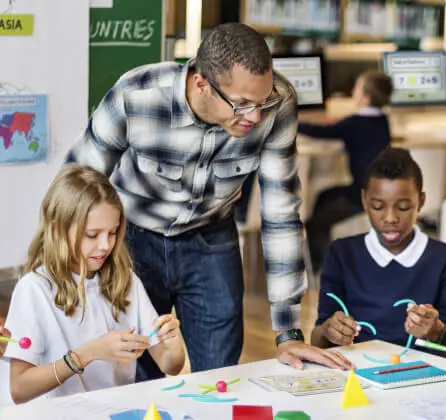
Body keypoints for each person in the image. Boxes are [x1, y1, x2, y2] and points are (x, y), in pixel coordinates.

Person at [66, 23, 353, 380]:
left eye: (261, 103)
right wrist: (64, 278)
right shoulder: (137, 94)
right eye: (242, 104)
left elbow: (281, 213)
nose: (256, 117)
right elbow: (76, 187)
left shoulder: (278, 104)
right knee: (133, 372)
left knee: (220, 377)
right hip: (131, 240)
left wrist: (287, 332)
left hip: (210, 237)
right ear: (201, 83)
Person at [3, 165, 186, 404]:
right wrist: (89, 353)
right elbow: (19, 389)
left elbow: (170, 365)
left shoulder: (126, 281)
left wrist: (173, 342)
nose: (105, 245)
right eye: (92, 235)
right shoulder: (34, 289)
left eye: (112, 232)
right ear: (57, 229)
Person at [312, 148, 446, 353]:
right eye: (378, 207)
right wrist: (328, 330)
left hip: (422, 374)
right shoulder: (341, 254)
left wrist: (438, 333)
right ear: (364, 200)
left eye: (404, 207)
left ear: (421, 202)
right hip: (356, 375)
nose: (390, 218)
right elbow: (317, 339)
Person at [301, 69, 393, 273]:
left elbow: (320, 132)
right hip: (377, 190)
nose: (353, 91)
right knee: (324, 197)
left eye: (357, 88)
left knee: (315, 222)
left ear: (365, 97)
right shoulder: (383, 122)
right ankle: (321, 262)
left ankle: (324, 268)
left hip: (361, 195)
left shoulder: (355, 124)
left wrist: (292, 122)